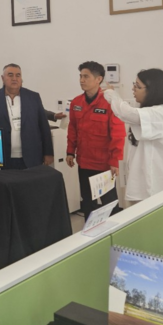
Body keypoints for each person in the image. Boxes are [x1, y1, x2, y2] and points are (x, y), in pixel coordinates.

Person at [103, 69, 163, 202]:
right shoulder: (153, 112)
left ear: (153, 90)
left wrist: (111, 94)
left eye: (138, 86)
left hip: (162, 186)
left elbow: (126, 113)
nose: (133, 89)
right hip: (149, 182)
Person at [65, 61, 126, 219]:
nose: (81, 80)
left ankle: (114, 230)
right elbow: (72, 129)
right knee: (88, 203)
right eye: (80, 76)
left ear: (98, 79)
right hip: (84, 162)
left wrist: (115, 161)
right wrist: (70, 151)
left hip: (104, 164)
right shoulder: (76, 103)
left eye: (86, 76)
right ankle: (89, 230)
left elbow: (118, 134)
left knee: (109, 203)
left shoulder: (109, 102)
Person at [0, 64, 53, 170]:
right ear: (2, 78)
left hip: (31, 156)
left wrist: (48, 153)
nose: (14, 78)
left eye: (18, 75)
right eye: (10, 75)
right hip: (4, 158)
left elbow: (44, 127)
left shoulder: (33, 97)